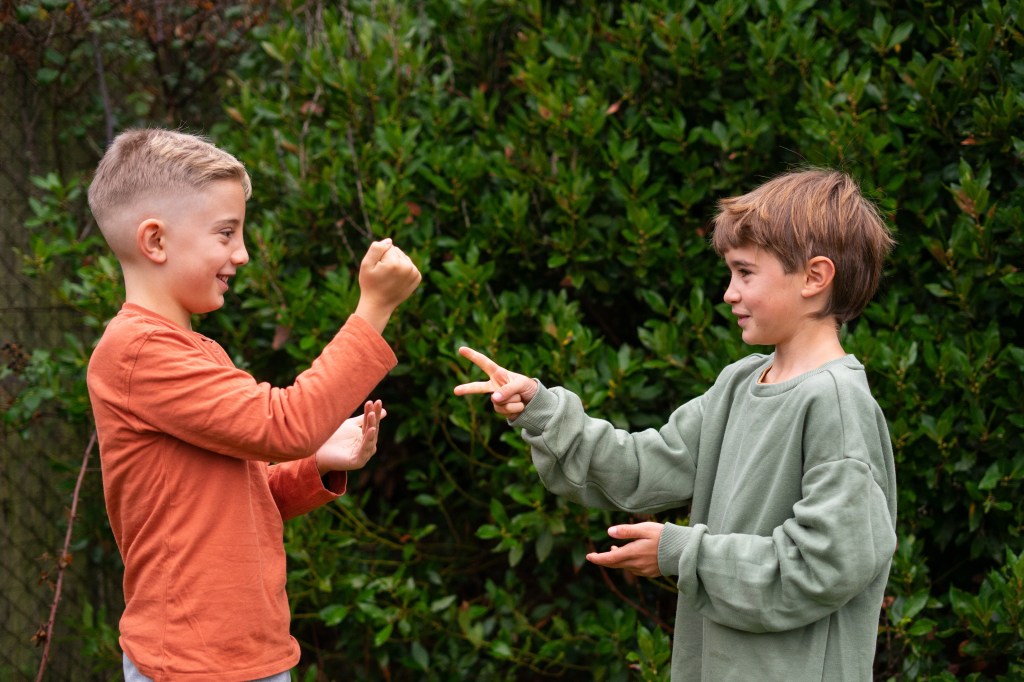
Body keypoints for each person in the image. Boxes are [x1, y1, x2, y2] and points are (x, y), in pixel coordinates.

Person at [454, 168, 897, 681]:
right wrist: (541, 407)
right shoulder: (739, 384)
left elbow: (822, 566)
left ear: (815, 278)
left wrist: (681, 551)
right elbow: (641, 468)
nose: (729, 293)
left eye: (745, 273)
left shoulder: (838, 405)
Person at [85, 128, 421, 681]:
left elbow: (237, 501)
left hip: (248, 656)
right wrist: (373, 309)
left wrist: (317, 463)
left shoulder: (193, 351)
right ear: (156, 241)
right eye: (225, 233)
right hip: (191, 665)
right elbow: (285, 424)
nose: (241, 254)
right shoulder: (138, 354)